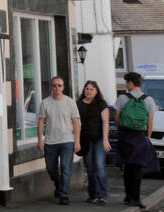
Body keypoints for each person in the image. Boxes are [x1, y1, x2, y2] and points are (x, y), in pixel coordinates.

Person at [113, 72, 159, 207]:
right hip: (140, 136)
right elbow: (150, 122)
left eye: (127, 82)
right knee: (137, 168)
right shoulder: (149, 100)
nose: (126, 85)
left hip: (126, 135)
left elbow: (117, 118)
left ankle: (128, 195)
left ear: (131, 83)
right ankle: (136, 198)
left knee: (127, 166)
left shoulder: (122, 98)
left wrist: (121, 129)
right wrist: (148, 137)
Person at [38, 76, 80, 204]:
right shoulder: (45, 102)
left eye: (59, 85)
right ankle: (59, 185)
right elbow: (41, 122)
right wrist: (40, 139)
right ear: (51, 87)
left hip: (67, 140)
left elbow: (76, 123)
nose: (57, 88)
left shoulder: (70, 102)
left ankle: (64, 195)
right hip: (50, 141)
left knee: (66, 168)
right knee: (51, 169)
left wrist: (77, 141)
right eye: (54, 85)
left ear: (63, 87)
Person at [76, 80, 111, 204]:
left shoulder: (101, 104)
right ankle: (92, 195)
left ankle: (102, 195)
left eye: (91, 89)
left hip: (99, 139)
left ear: (96, 91)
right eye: (87, 89)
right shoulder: (78, 104)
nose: (88, 91)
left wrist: (106, 140)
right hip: (86, 139)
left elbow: (106, 122)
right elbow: (75, 123)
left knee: (99, 166)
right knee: (90, 167)